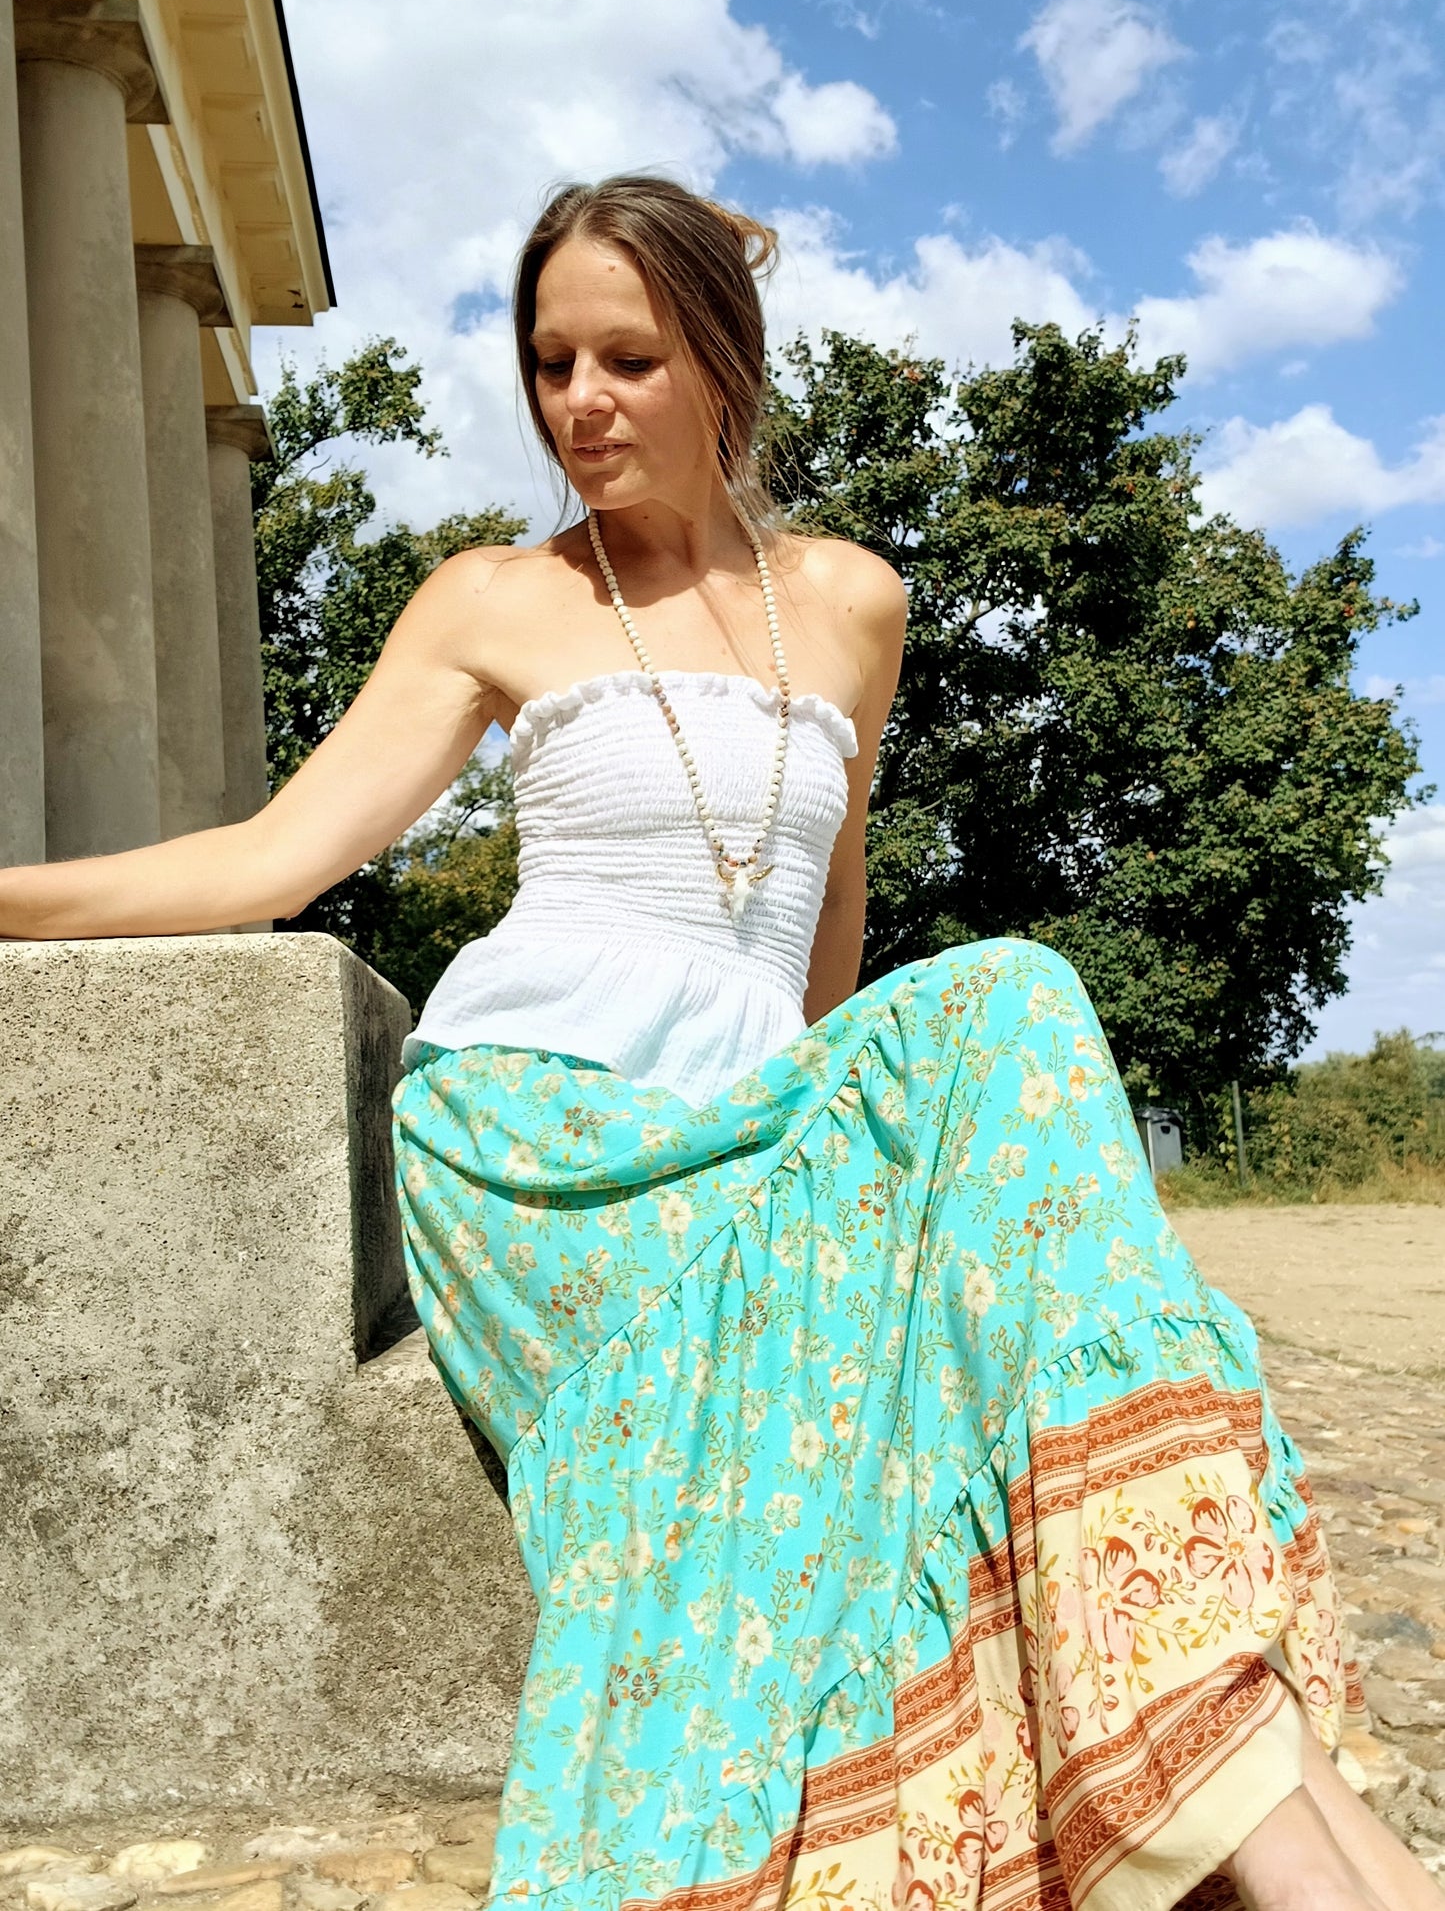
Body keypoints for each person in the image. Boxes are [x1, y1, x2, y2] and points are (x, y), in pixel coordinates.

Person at [1, 174, 1438, 1911]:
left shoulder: (848, 605)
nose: (579, 402)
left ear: (721, 360)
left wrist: (843, 1176)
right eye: (551, 363)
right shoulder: (492, 599)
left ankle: (1291, 1836)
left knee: (999, 1117)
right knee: (1008, 994)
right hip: (537, 1142)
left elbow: (829, 926)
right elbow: (269, 861)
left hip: (743, 1125)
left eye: (627, 358)